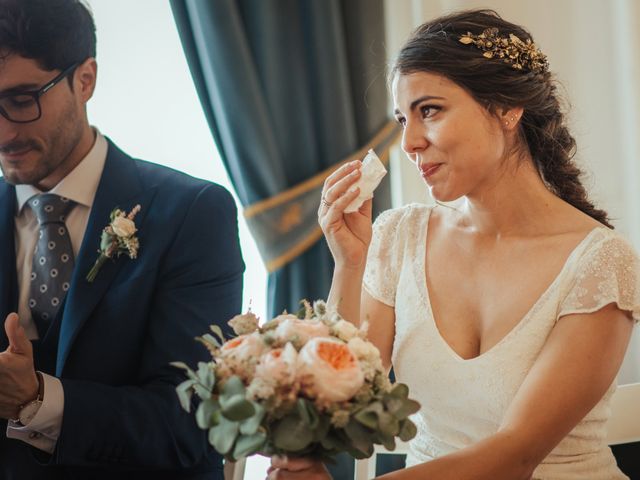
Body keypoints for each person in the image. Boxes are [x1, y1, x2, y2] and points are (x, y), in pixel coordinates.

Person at [268, 9, 640, 480]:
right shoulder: (399, 235)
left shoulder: (601, 260)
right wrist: (350, 261)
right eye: (403, 119)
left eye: (430, 110)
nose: (409, 142)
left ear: (507, 108)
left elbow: (516, 454)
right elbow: (344, 400)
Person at [0, 0, 244, 478]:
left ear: (85, 79)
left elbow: (192, 422)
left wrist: (37, 400)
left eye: (22, 99)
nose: (4, 130)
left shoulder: (193, 213)